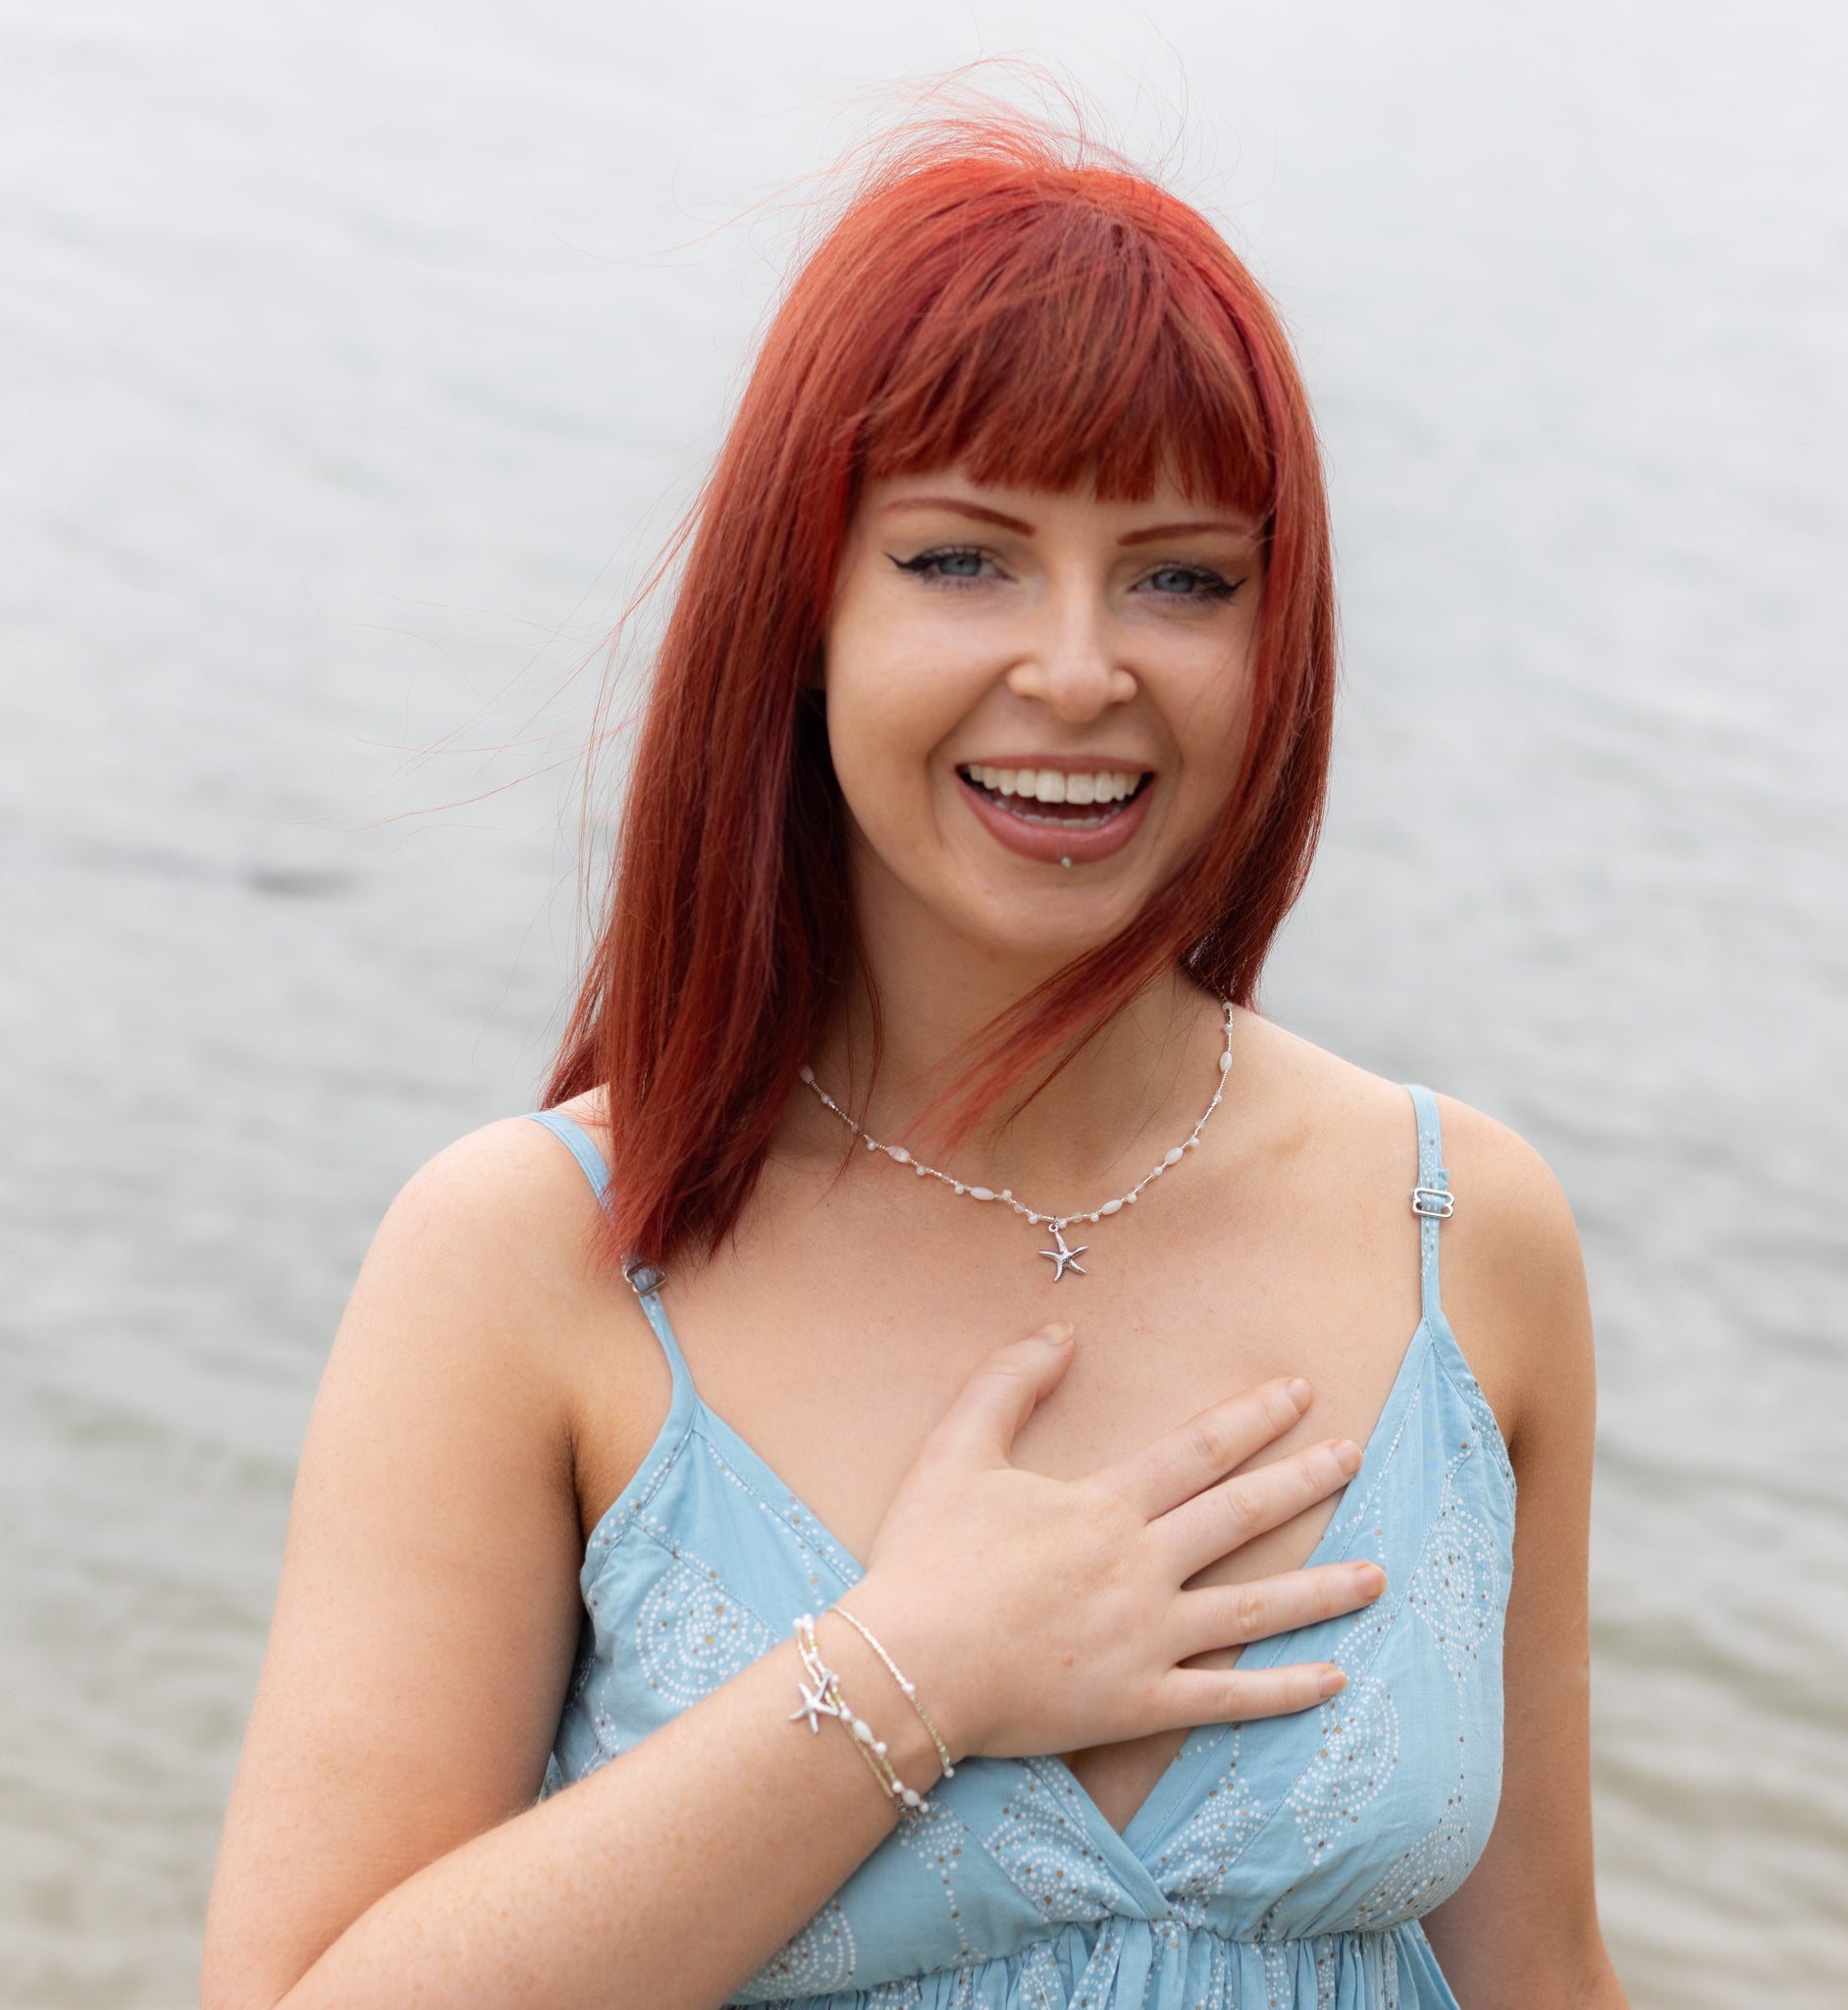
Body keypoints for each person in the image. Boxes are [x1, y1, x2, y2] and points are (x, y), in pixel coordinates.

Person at [202, 112, 1628, 2010]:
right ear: (805, 612)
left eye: (1183, 579)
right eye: (963, 560)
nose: (1079, 671)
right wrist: (908, 1674)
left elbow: (1546, 1971)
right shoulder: (535, 1255)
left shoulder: (1462, 1230)